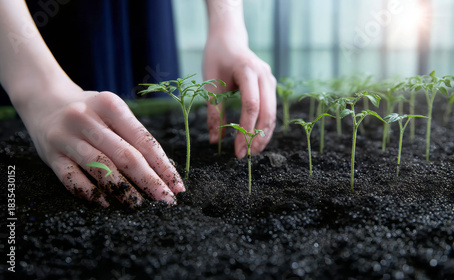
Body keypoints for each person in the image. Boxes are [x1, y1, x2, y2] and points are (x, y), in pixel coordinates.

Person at [0, 0, 276, 208]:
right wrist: (36, 87)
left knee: (136, 123)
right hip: (23, 29)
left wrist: (227, 27)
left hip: (143, 13)